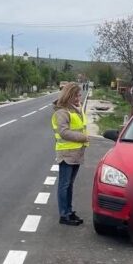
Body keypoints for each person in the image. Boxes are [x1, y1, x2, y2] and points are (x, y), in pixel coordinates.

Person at [52, 82, 89, 226]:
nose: (79, 98)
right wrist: (83, 137)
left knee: (69, 184)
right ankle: (64, 214)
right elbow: (63, 132)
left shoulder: (75, 109)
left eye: (79, 95)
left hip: (76, 153)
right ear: (69, 95)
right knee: (64, 184)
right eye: (76, 96)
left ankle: (69, 211)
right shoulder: (62, 111)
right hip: (66, 153)